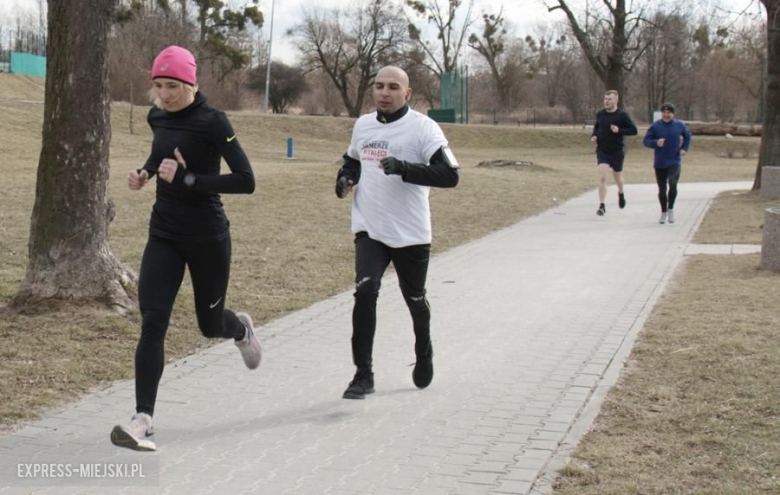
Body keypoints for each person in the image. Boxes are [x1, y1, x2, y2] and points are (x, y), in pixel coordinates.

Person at [110, 45, 260, 451]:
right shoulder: (156, 115)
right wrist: (145, 173)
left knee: (209, 325)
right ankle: (142, 419)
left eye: (173, 86)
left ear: (191, 84)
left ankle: (240, 329)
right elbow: (160, 154)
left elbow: (246, 180)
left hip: (207, 236)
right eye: (158, 85)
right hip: (164, 234)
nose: (165, 95)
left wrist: (189, 179)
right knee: (152, 320)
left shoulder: (214, 121)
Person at [335, 66, 460, 400]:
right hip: (370, 229)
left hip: (410, 232)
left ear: (408, 93)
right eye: (379, 86)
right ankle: (363, 375)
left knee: (415, 300)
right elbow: (352, 161)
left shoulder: (423, 128)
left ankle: (424, 351)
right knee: (365, 292)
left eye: (393, 87)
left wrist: (404, 168)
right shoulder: (363, 125)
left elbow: (450, 175)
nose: (384, 93)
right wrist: (345, 179)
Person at [590, 90, 638, 216]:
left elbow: (634, 130)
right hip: (603, 150)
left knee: (618, 177)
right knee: (602, 177)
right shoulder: (600, 114)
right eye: (605, 99)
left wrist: (619, 130)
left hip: (617, 151)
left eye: (609, 99)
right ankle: (602, 205)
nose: (606, 101)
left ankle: (621, 193)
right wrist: (594, 136)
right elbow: (597, 127)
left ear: (616, 100)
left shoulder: (622, 115)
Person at [643, 103, 692, 224]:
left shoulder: (679, 125)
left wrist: (684, 148)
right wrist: (656, 142)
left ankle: (671, 209)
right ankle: (663, 212)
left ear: (673, 114)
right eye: (664, 113)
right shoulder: (655, 126)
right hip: (660, 161)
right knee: (662, 189)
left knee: (673, 183)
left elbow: (687, 136)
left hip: (674, 160)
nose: (666, 115)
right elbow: (646, 141)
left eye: (669, 113)